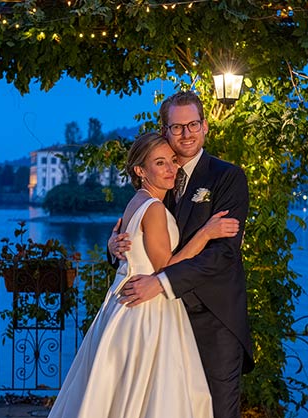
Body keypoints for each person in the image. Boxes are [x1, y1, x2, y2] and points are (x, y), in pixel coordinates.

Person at [48, 132, 240, 418]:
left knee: (120, 391)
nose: (171, 169)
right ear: (140, 170)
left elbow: (129, 243)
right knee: (157, 394)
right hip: (147, 308)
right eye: (160, 163)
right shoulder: (153, 208)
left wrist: (112, 247)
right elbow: (166, 266)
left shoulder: (136, 201)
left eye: (172, 162)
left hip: (122, 304)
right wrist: (206, 233)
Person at [111, 91, 254, 418]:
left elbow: (223, 255)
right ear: (164, 131)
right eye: (177, 127)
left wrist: (161, 282)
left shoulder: (227, 177)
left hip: (213, 319)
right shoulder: (158, 174)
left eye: (192, 125)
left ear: (205, 127)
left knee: (215, 411)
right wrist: (114, 246)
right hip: (161, 321)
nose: (186, 134)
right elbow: (135, 230)